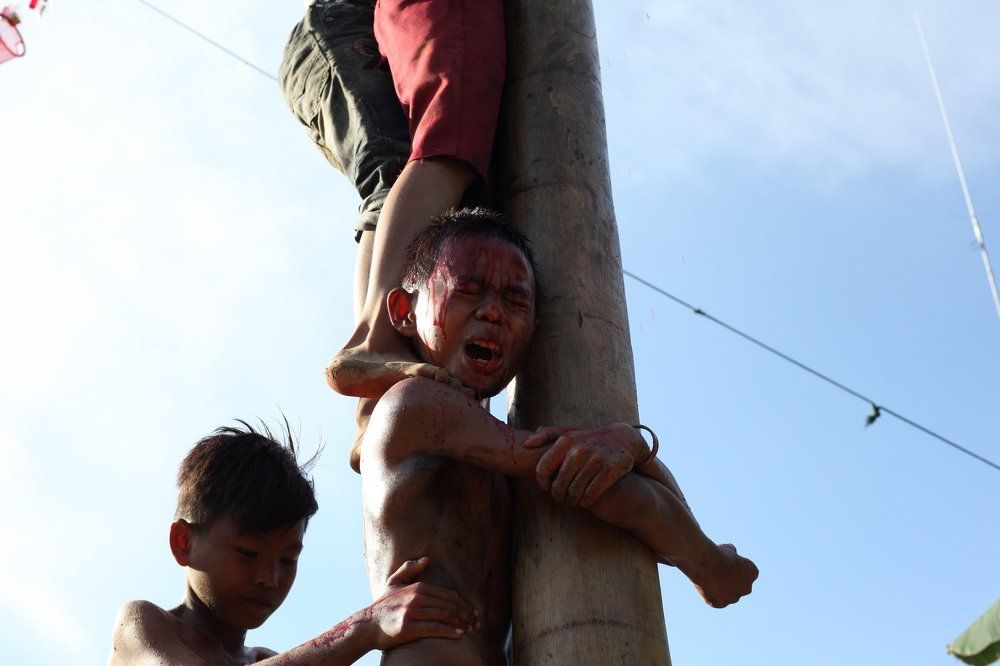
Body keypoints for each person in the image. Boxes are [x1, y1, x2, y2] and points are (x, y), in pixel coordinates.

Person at [359, 208, 759, 664]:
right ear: (403, 311)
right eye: (468, 290)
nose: (492, 312)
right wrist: (707, 562)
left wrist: (633, 445)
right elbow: (605, 487)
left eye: (516, 301)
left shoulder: (490, 447)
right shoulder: (417, 403)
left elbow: (620, 490)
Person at [279, 0, 504, 460]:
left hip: (353, 33)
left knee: (441, 191)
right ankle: (373, 343)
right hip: (345, 26)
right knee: (445, 143)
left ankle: (375, 399)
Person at [108, 421, 478, 664]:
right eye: (248, 553)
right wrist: (365, 627)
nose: (270, 578)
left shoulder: (265, 658)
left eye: (287, 560)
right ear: (183, 541)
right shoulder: (143, 626)